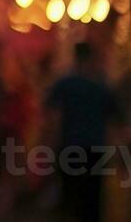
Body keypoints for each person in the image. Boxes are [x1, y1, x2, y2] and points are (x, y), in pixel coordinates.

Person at [44, 41, 123, 222]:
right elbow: (115, 121)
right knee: (92, 201)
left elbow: (53, 118)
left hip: (70, 148)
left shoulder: (65, 84)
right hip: (96, 151)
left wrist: (48, 144)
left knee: (70, 198)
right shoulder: (101, 86)